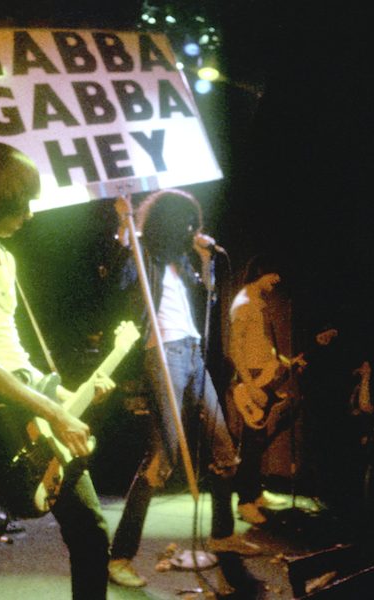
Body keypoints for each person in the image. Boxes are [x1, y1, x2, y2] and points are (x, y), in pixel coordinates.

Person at [0, 142, 113, 600]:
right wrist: (53, 410)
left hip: (27, 400)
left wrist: (67, 394)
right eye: (21, 203)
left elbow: (12, 350)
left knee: (90, 530)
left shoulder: (5, 257)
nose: (29, 215)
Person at [106, 191, 260, 589]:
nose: (193, 230)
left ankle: (222, 535)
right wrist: (126, 227)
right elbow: (125, 273)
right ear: (167, 222)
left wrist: (207, 262)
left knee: (224, 450)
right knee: (161, 459)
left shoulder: (182, 261)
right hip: (164, 354)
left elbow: (206, 298)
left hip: (192, 353)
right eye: (187, 223)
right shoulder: (144, 255)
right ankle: (119, 555)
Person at [226, 254, 295, 525]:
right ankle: (244, 501)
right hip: (251, 378)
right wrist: (251, 384)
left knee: (257, 440)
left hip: (262, 374)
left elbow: (260, 343)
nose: (278, 280)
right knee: (251, 441)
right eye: (274, 274)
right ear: (261, 272)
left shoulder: (257, 303)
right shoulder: (244, 303)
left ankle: (254, 494)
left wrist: (282, 361)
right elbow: (235, 348)